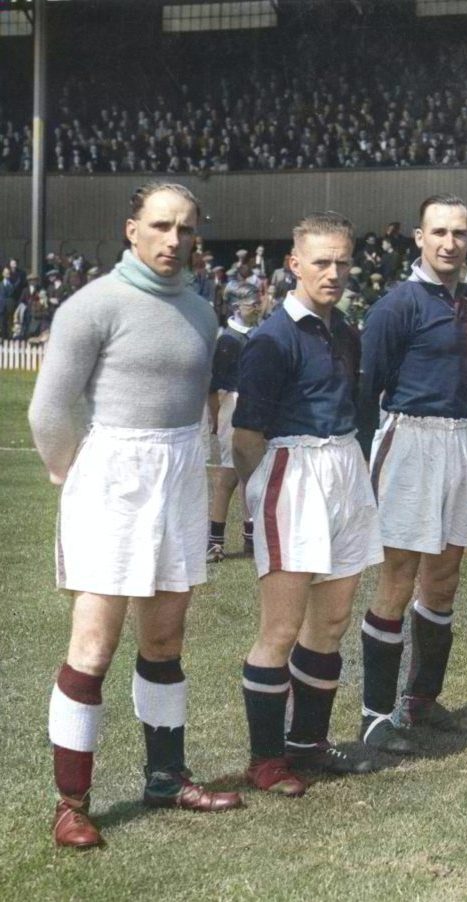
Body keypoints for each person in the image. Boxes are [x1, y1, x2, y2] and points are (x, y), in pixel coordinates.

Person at [28, 182, 242, 849]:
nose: (173, 240)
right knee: (93, 645)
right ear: (132, 230)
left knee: (165, 642)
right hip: (113, 477)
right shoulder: (92, 306)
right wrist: (72, 470)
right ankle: (72, 803)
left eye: (185, 228)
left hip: (179, 471)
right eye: (160, 226)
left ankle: (166, 776)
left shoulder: (202, 313)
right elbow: (49, 411)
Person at [234, 211, 386, 797]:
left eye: (342, 261)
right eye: (321, 262)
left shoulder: (345, 331)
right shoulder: (272, 338)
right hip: (293, 473)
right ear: (294, 264)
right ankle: (266, 759)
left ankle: (309, 744)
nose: (334, 272)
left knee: (332, 621)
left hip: (345, 467)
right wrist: (261, 503)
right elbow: (246, 436)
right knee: (281, 627)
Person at [354, 194, 467, 756]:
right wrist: (361, 466)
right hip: (410, 439)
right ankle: (376, 715)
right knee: (398, 577)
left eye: (458, 233)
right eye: (439, 232)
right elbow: (365, 391)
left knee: (446, 576)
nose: (449, 242)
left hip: (460, 442)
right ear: (418, 237)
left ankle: (422, 699)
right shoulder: (396, 305)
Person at [206, 284, 264, 563]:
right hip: (232, 404)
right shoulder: (228, 341)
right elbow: (213, 386)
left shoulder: (258, 334)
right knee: (229, 474)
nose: (257, 306)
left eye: (257, 301)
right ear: (235, 307)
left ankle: (251, 536)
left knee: (252, 474)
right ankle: (214, 540)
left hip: (254, 405)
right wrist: (216, 419)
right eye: (251, 302)